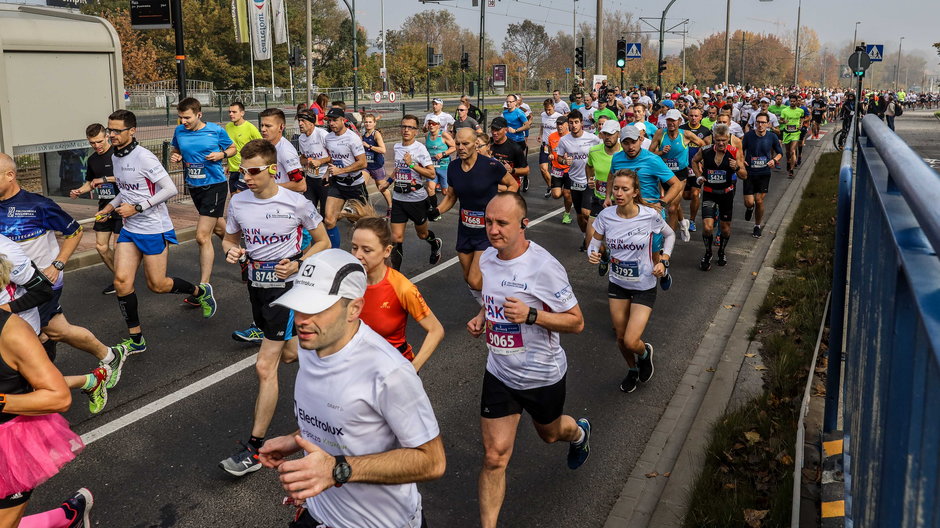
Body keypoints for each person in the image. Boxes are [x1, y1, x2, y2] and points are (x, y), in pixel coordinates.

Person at [260, 249, 446, 528]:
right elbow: (347, 421)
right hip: (320, 514)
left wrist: (337, 470)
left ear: (354, 309)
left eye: (317, 308)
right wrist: (293, 439)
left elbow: (432, 462)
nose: (301, 320)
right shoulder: (310, 345)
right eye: (299, 306)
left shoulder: (389, 372)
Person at [468, 192, 590, 528]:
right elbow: (493, 297)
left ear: (523, 225)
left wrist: (532, 315)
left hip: (541, 376)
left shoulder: (544, 267)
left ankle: (578, 434)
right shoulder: (489, 259)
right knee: (495, 457)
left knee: (550, 435)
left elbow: (576, 322)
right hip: (500, 371)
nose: (492, 230)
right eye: (489, 222)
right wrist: (483, 316)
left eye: (501, 223)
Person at [219, 139, 330, 477]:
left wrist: (297, 263)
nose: (246, 177)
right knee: (291, 354)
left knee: (266, 366)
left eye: (253, 171)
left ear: (270, 169)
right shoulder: (238, 203)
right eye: (242, 171)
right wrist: (230, 250)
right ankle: (332, 369)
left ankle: (254, 449)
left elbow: (323, 240)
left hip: (288, 290)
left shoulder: (296, 202)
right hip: (256, 288)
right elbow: (230, 239)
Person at [0, 153, 127, 411]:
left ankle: (49, 391)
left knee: (40, 336)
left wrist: (58, 264)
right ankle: (108, 357)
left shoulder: (38, 205)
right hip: (14, 286)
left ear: (10, 175)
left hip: (41, 284)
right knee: (55, 330)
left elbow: (74, 231)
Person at [98, 109, 217, 356]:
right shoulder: (117, 157)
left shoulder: (144, 158)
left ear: (132, 131)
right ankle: (136, 338)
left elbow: (170, 188)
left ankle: (199, 292)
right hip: (130, 229)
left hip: (154, 228)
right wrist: (110, 206)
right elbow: (126, 189)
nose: (112, 135)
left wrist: (139, 207)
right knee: (122, 282)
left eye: (117, 131)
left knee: (158, 285)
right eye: (110, 130)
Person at [0, 253, 94, 528]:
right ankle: (69, 516)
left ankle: (69, 515)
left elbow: (58, 396)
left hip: (6, 445)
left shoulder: (12, 332)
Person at [587, 170, 675, 393]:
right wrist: (593, 254)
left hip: (644, 284)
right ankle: (632, 370)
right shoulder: (606, 216)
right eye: (616, 188)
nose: (618, 193)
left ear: (635, 192)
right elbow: (594, 242)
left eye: (625, 189)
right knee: (620, 337)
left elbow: (670, 235)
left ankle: (644, 353)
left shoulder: (649, 215)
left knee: (630, 340)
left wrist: (664, 260)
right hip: (617, 283)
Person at [348, 203, 445, 371]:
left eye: (367, 250)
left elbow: (436, 330)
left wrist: (412, 369)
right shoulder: (347, 282)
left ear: (387, 251)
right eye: (354, 248)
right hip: (357, 369)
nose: (357, 256)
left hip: (392, 371)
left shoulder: (401, 287)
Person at [433, 128, 517, 306]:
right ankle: (491, 305)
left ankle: (493, 309)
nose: (461, 147)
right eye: (457, 144)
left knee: (475, 280)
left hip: (487, 232)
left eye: (466, 144)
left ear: (475, 144)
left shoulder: (490, 166)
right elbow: (451, 196)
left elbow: (512, 185)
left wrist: (502, 210)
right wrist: (437, 211)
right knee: (468, 277)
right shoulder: (453, 167)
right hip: (465, 230)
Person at [170, 97, 236, 295]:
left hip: (214, 185)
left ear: (199, 114)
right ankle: (243, 257)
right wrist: (176, 156)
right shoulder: (179, 131)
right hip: (195, 186)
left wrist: (221, 155)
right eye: (181, 117)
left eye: (187, 117)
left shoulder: (215, 130)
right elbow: (176, 149)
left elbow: (232, 148)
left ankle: (204, 287)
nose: (184, 121)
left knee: (202, 235)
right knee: (218, 228)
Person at [609, 127, 680, 290]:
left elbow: (676, 184)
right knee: (627, 252)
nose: (630, 147)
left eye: (633, 142)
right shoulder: (617, 159)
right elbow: (612, 177)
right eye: (625, 143)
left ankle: (662, 270)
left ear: (640, 139)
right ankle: (629, 286)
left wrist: (662, 203)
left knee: (653, 257)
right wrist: (609, 197)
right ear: (621, 143)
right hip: (626, 215)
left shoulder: (652, 159)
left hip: (649, 215)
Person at [380, 115, 444, 270]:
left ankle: (434, 243)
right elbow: (398, 168)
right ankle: (395, 277)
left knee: (422, 234)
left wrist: (413, 164)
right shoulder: (396, 147)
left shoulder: (420, 148)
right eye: (404, 126)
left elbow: (431, 174)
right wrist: (387, 182)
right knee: (396, 238)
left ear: (416, 131)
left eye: (410, 127)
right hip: (399, 199)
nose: (406, 130)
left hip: (417, 200)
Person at [69, 123, 121, 295]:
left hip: (122, 206)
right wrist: (79, 190)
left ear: (107, 136)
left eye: (99, 141)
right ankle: (119, 277)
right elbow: (91, 182)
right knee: (101, 247)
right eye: (92, 143)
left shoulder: (118, 154)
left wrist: (105, 179)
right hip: (103, 208)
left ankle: (123, 280)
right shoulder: (92, 160)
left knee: (119, 247)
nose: (96, 146)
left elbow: (128, 177)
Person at [691, 124, 747, 270]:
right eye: (718, 140)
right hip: (709, 193)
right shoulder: (705, 151)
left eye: (724, 140)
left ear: (728, 138)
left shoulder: (734, 152)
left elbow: (744, 175)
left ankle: (721, 251)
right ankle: (708, 252)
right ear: (713, 139)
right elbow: (694, 161)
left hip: (726, 194)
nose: (721, 143)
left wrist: (736, 167)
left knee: (725, 229)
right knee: (708, 228)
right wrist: (698, 177)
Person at [650, 109, 706, 243]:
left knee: (672, 207)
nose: (671, 123)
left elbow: (703, 145)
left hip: (680, 175)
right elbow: (650, 153)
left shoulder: (686, 134)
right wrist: (661, 152)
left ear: (679, 121)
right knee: (674, 203)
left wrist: (699, 161)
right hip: (665, 174)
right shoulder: (660, 133)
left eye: (673, 120)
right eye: (668, 120)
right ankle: (683, 222)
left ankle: (669, 240)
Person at [555, 111, 601, 250]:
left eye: (576, 122)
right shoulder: (564, 140)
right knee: (580, 217)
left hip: (589, 180)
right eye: (571, 122)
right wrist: (564, 160)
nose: (574, 125)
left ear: (581, 123)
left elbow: (602, 151)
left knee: (587, 212)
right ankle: (585, 237)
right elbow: (559, 157)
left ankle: (594, 240)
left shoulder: (592, 139)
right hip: (574, 180)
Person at [323, 107, 368, 248]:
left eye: (335, 120)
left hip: (355, 184)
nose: (331, 123)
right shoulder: (328, 137)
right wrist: (327, 172)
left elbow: (363, 162)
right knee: (329, 220)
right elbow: (332, 157)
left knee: (365, 223)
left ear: (343, 120)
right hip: (338, 183)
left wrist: (340, 170)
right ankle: (334, 252)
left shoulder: (352, 138)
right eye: (329, 120)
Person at [584, 119, 622, 275]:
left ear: (618, 134)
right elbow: (589, 166)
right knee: (590, 241)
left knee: (619, 245)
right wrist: (589, 179)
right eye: (605, 133)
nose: (607, 137)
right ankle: (605, 257)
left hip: (620, 204)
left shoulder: (624, 154)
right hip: (599, 201)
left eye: (611, 134)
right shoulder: (594, 151)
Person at [741, 112, 783, 238]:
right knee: (749, 202)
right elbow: (740, 150)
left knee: (759, 200)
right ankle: (749, 208)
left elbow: (780, 152)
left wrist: (774, 160)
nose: (760, 125)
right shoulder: (748, 136)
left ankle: (757, 226)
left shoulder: (772, 137)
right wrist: (742, 160)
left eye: (763, 122)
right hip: (749, 173)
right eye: (758, 122)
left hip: (764, 173)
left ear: (768, 124)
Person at [679, 107, 712, 234]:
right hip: (682, 167)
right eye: (691, 115)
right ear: (688, 116)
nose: (693, 118)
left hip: (696, 168)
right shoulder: (681, 129)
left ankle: (692, 220)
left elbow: (708, 149)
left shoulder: (705, 131)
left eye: (696, 116)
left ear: (700, 117)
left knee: (694, 194)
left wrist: (702, 163)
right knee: (684, 195)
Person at [295, 110, 331, 216]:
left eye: (303, 121)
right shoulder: (301, 138)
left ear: (311, 123)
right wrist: (306, 161)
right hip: (310, 179)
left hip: (325, 179)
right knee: (307, 213)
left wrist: (320, 161)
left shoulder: (322, 135)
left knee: (326, 216)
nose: (300, 124)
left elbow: (335, 157)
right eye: (299, 121)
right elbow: (303, 158)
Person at [224, 101, 263, 194]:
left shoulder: (250, 128)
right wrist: (228, 165)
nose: (231, 114)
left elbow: (262, 146)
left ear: (242, 113)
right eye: (229, 112)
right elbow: (229, 146)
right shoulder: (228, 126)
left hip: (245, 170)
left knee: (240, 195)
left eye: (234, 112)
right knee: (234, 198)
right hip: (233, 170)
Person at [360, 113, 392, 215]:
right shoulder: (363, 135)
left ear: (374, 123)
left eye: (370, 122)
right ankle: (364, 209)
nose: (368, 124)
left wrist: (369, 146)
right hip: (366, 166)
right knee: (360, 187)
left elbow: (383, 150)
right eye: (366, 122)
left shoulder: (376, 134)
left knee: (381, 188)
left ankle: (391, 206)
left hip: (377, 166)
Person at [423, 114, 455, 216]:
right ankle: (435, 208)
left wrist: (443, 154)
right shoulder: (426, 135)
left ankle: (445, 206)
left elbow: (454, 147)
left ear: (438, 125)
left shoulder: (444, 135)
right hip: (431, 166)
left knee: (445, 191)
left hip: (444, 166)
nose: (431, 125)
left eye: (433, 123)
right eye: (429, 123)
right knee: (430, 188)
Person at [487, 117, 528, 192]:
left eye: (497, 130)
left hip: (510, 188)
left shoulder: (515, 148)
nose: (494, 132)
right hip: (492, 187)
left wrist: (512, 170)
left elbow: (526, 170)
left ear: (506, 130)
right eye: (493, 129)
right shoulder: (488, 144)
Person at [546, 116, 573, 224]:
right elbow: (550, 149)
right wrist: (550, 155)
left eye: (562, 124)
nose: (559, 126)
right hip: (556, 170)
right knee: (556, 195)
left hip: (569, 170)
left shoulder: (571, 137)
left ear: (567, 125)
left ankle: (566, 214)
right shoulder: (552, 136)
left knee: (567, 194)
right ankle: (571, 193)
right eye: (558, 124)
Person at [538, 99, 563, 198]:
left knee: (557, 169)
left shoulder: (558, 117)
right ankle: (550, 186)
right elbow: (542, 126)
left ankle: (558, 186)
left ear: (553, 107)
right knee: (543, 169)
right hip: (545, 145)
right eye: (546, 109)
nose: (547, 112)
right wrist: (540, 134)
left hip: (556, 146)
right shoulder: (543, 115)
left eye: (549, 109)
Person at [779, 93, 805, 178]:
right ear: (789, 101)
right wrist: (784, 122)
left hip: (795, 133)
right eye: (791, 101)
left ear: (797, 102)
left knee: (792, 151)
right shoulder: (785, 110)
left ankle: (791, 170)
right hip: (787, 132)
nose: (792, 103)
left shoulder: (800, 110)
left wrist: (801, 124)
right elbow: (781, 120)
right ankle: (788, 161)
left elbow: (802, 118)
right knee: (787, 151)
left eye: (794, 101)